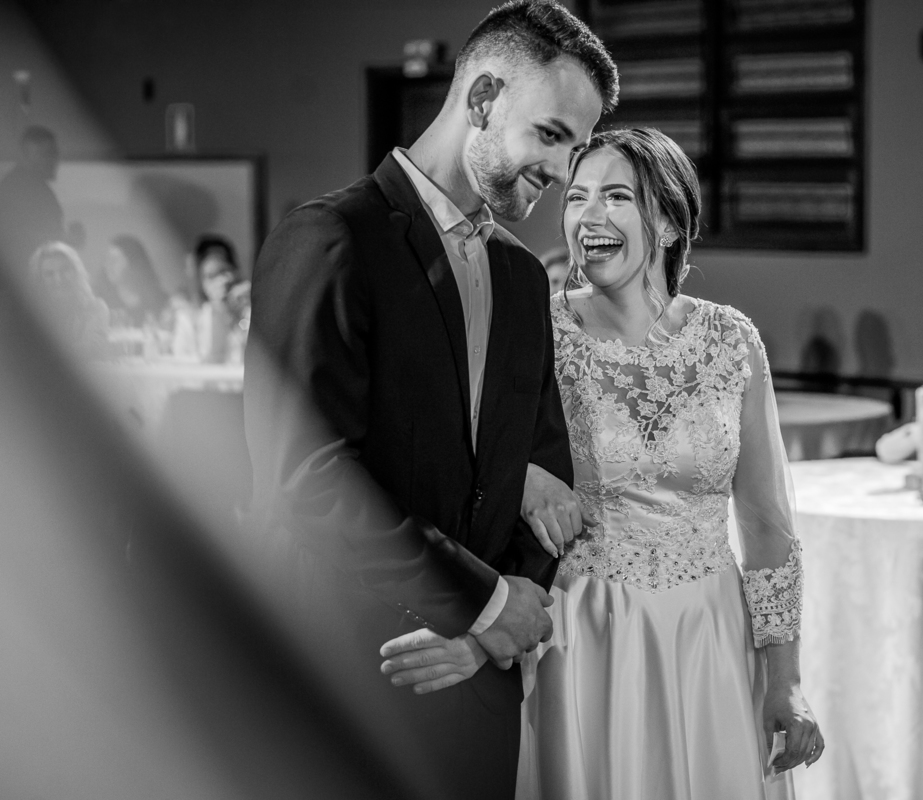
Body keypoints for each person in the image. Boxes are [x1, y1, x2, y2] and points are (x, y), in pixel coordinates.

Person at [243, 2, 617, 798]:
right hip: (353, 675)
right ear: (481, 99)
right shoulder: (332, 238)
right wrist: (482, 603)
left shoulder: (522, 277)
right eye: (551, 135)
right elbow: (306, 477)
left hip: (477, 688)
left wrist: (486, 636)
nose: (563, 173)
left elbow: (541, 471)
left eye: (576, 149)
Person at [385, 128, 824, 799]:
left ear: (670, 224)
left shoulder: (731, 341)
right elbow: (459, 464)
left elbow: (767, 527)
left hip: (708, 633)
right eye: (576, 197)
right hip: (576, 631)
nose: (589, 216)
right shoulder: (533, 327)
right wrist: (517, 484)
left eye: (616, 196)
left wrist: (785, 680)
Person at [173, 234, 250, 362]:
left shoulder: (250, 311)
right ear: (201, 281)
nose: (221, 281)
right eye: (211, 276)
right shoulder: (188, 319)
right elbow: (206, 360)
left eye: (224, 271)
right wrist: (217, 311)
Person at [0, 126, 67, 273]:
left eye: (55, 153)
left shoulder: (31, 187)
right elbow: (19, 237)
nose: (54, 159)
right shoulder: (19, 189)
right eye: (47, 153)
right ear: (27, 155)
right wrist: (65, 238)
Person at [27, 241, 109, 358]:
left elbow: (93, 347)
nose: (58, 279)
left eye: (64, 270)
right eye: (49, 274)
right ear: (40, 279)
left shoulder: (95, 307)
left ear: (77, 273)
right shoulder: (30, 311)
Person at [93, 234, 170, 328]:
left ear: (133, 263)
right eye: (106, 259)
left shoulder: (161, 302)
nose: (108, 266)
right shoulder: (100, 303)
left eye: (114, 260)